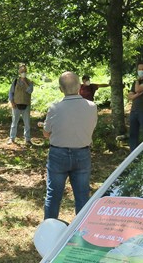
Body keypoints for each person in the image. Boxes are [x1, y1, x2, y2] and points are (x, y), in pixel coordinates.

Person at [40, 71, 97, 220]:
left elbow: (46, 134)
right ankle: (82, 230)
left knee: (53, 195)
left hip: (58, 154)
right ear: (79, 86)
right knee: (82, 196)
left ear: (60, 89)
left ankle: (49, 229)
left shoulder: (54, 108)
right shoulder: (92, 106)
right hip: (83, 153)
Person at [7, 63, 34, 145]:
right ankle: (12, 138)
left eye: (25, 71)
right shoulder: (15, 82)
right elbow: (11, 93)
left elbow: (30, 90)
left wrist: (25, 82)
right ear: (19, 72)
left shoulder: (30, 82)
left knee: (27, 124)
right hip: (16, 105)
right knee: (14, 123)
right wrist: (12, 102)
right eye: (22, 71)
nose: (23, 72)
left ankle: (27, 140)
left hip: (26, 105)